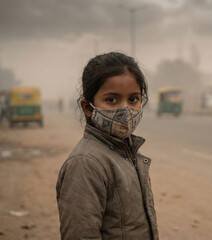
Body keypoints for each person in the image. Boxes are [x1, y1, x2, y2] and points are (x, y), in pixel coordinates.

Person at [56, 52, 159, 240]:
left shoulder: (128, 153)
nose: (125, 110)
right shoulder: (86, 163)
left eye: (133, 99)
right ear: (88, 107)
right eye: (112, 100)